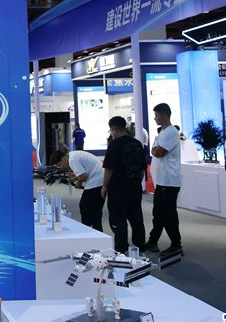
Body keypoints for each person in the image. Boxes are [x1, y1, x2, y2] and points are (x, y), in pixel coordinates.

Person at [102, 116, 146, 254]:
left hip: (118, 188)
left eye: (111, 131)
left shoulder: (114, 145)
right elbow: (142, 169)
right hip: (135, 186)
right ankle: (140, 248)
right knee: (136, 218)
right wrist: (137, 182)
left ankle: (121, 250)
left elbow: (109, 168)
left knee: (119, 219)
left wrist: (104, 186)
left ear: (114, 129)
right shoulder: (137, 144)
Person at [145, 103, 182, 256]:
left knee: (168, 215)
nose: (155, 118)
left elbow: (158, 152)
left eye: (156, 115)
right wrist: (155, 149)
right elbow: (154, 150)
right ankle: (153, 241)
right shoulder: (163, 132)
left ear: (164, 115)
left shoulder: (171, 132)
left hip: (169, 181)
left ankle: (176, 245)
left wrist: (155, 149)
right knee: (158, 214)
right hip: (162, 181)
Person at [59, 150, 105, 231]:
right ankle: (96, 230)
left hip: (96, 181)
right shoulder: (73, 155)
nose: (61, 167)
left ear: (63, 159)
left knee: (85, 207)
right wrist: (71, 180)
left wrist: (79, 183)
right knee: (95, 210)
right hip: (100, 179)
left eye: (59, 164)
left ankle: (87, 230)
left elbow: (84, 176)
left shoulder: (72, 160)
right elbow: (82, 173)